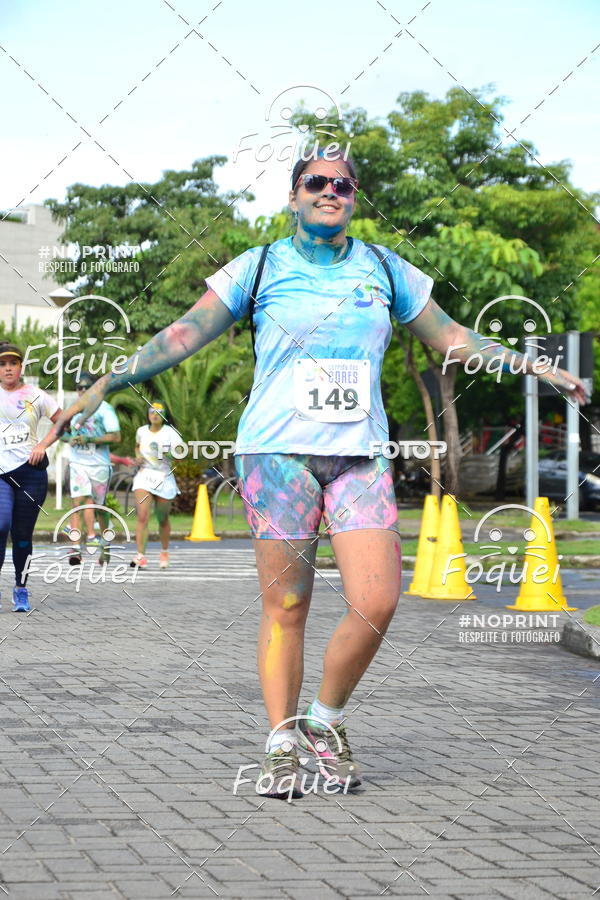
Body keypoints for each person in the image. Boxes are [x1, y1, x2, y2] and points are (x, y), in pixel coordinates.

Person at [53, 149, 587, 799]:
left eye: (342, 184)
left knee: (378, 600)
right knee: (288, 604)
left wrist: (535, 366)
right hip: (275, 455)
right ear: (294, 195)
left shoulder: (386, 269)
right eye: (316, 183)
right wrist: (99, 387)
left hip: (359, 454)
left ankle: (324, 721)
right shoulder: (260, 266)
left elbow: (452, 340)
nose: (329, 192)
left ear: (354, 197)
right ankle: (280, 741)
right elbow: (181, 336)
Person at [0, 343, 62, 612]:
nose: (8, 368)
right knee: (1, 525)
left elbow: (62, 420)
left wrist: (42, 445)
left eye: (12, 363)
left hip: (31, 473)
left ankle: (20, 588)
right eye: (2, 364)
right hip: (1, 473)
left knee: (22, 535)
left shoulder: (35, 395)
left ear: (21, 367)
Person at [62, 372, 121, 565]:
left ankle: (105, 544)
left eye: (87, 387)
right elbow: (61, 433)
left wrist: (89, 439)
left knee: (99, 508)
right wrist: (69, 438)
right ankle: (76, 550)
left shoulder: (105, 409)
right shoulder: (73, 410)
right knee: (77, 504)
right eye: (80, 388)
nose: (83, 391)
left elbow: (115, 436)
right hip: (78, 463)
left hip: (99, 465)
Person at [129, 402, 181, 569]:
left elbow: (180, 454)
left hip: (164, 477)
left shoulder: (170, 433)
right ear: (148, 414)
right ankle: (140, 556)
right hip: (145, 476)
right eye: (152, 412)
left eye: (159, 412)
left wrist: (167, 453)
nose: (155, 415)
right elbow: (137, 446)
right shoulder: (141, 431)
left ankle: (164, 551)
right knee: (142, 515)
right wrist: (137, 457)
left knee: (162, 518)